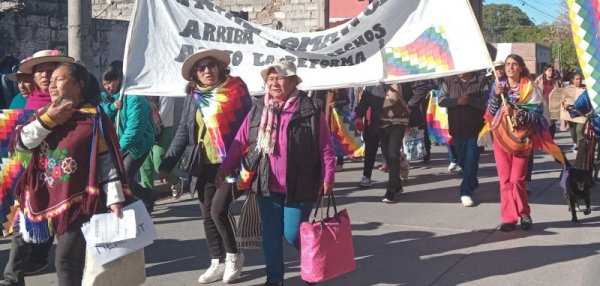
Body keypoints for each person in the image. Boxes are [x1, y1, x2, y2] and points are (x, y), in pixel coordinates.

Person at [216, 58, 335, 286]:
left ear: (292, 81)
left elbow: (326, 147)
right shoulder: (259, 110)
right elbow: (240, 141)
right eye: (270, 78)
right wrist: (225, 168)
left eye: (279, 77)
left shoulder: (310, 109)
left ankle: (316, 261)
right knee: (270, 237)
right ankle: (274, 279)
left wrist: (328, 176)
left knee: (292, 234)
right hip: (266, 185)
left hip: (300, 185)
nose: (274, 82)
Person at [13, 62, 130, 286]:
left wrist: (115, 198)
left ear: (79, 85)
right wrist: (49, 121)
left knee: (65, 259)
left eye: (60, 79)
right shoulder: (46, 114)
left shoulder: (94, 119)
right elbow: (22, 144)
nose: (52, 84)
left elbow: (107, 161)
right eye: (51, 80)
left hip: (83, 202)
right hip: (50, 196)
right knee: (74, 261)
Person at [159, 48, 251, 284]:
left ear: (220, 68)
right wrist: (168, 163)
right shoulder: (194, 96)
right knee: (207, 214)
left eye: (211, 66)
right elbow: (183, 130)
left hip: (230, 163)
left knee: (218, 210)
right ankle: (216, 262)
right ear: (195, 75)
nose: (208, 71)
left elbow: (248, 128)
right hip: (202, 164)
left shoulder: (236, 90)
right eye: (201, 68)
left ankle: (234, 255)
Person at [0, 51, 73, 286]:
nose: (45, 74)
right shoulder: (26, 103)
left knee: (66, 233)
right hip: (31, 176)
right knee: (22, 227)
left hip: (66, 178)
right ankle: (13, 277)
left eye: (52, 68)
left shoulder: (76, 104)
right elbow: (17, 141)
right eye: (40, 70)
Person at [486, 54, 545, 231]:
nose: (510, 67)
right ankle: (508, 218)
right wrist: (496, 97)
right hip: (501, 138)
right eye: (507, 64)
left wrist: (516, 112)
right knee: (504, 180)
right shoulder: (497, 86)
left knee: (517, 179)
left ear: (521, 67)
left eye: (514, 64)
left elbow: (537, 116)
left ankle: (524, 214)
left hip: (521, 139)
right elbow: (490, 112)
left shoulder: (530, 88)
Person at [100, 65, 157, 211]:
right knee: (121, 176)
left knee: (124, 176)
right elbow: (103, 113)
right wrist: (112, 107)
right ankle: (146, 196)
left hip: (139, 143)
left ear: (119, 79)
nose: (107, 87)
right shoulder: (114, 98)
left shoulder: (134, 98)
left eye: (110, 82)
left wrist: (120, 148)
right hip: (123, 143)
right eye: (105, 84)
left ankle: (134, 207)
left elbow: (135, 128)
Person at [355, 83, 411, 203]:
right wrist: (358, 116)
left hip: (399, 122)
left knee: (392, 153)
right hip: (380, 124)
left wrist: (410, 106)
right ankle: (397, 185)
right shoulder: (373, 83)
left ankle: (391, 191)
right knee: (387, 155)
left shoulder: (400, 79)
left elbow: (412, 94)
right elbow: (365, 100)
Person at [438, 72, 488, 207]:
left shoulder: (481, 80)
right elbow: (441, 100)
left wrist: (470, 101)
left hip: (475, 129)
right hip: (457, 128)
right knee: (463, 160)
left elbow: (486, 102)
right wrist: (456, 101)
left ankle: (465, 191)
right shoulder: (448, 80)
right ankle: (471, 181)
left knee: (471, 159)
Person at [140, 96, 184, 198]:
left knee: (159, 163)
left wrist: (150, 123)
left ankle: (176, 181)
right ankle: (147, 197)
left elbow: (164, 111)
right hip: (144, 127)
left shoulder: (163, 89)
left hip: (163, 127)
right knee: (144, 165)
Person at [312, 88, 350, 171]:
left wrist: (336, 103)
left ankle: (340, 161)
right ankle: (325, 161)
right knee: (323, 141)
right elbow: (313, 99)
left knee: (337, 140)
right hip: (321, 116)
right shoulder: (317, 87)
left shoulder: (338, 87)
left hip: (335, 117)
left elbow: (347, 100)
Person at [534, 64, 563, 138]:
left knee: (552, 124)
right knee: (544, 122)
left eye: (552, 70)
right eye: (549, 70)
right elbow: (534, 90)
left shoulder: (557, 81)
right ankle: (545, 140)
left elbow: (562, 92)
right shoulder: (539, 80)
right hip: (543, 105)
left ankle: (551, 139)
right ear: (545, 71)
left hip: (553, 105)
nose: (551, 72)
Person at [567, 71, 586, 152]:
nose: (579, 81)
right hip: (571, 113)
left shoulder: (585, 89)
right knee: (573, 131)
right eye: (577, 79)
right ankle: (575, 142)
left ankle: (579, 146)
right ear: (572, 80)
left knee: (579, 130)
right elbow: (563, 99)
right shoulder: (568, 89)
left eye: (580, 79)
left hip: (582, 113)